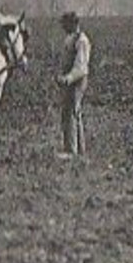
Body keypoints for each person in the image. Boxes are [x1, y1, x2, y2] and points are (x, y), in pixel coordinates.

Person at [56, 11, 90, 157]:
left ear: (73, 24)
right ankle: (79, 148)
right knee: (72, 112)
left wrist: (68, 78)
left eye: (65, 24)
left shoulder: (81, 40)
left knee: (71, 112)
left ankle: (71, 150)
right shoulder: (70, 39)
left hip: (77, 80)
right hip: (71, 80)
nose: (63, 27)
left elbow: (80, 66)